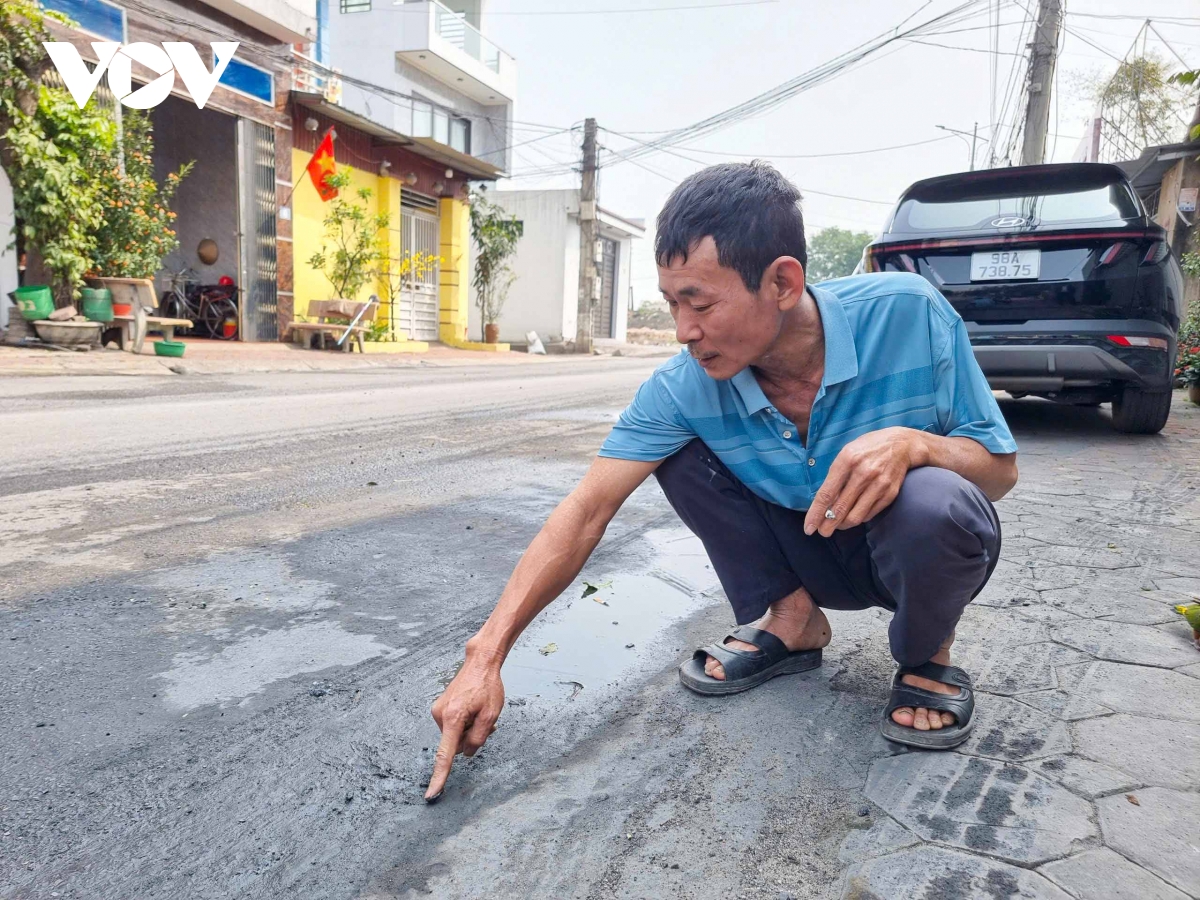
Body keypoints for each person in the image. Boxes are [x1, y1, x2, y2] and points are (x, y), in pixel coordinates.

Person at [424, 162, 1017, 802]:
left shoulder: (908, 313)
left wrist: (913, 445)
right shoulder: (684, 386)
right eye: (673, 303)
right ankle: (792, 620)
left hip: (901, 549)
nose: (685, 332)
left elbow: (999, 470)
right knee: (673, 453)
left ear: (782, 283)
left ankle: (928, 653)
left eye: (700, 304)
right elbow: (587, 508)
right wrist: (485, 655)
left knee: (936, 500)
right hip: (804, 547)